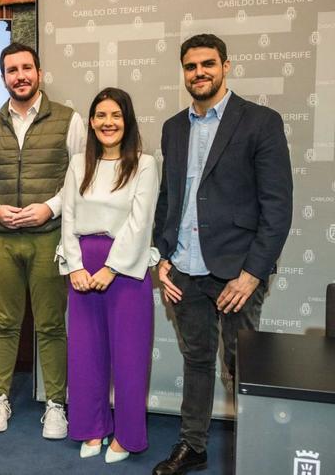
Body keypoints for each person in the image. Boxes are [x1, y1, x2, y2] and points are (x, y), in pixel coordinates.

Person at [152, 34, 292, 475]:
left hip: (237, 273)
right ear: (183, 71)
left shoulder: (260, 122)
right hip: (185, 269)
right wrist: (162, 254)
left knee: (241, 366)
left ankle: (258, 449)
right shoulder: (173, 127)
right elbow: (167, 197)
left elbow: (277, 206)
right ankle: (192, 446)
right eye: (191, 66)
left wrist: (252, 273)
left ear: (226, 66)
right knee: (196, 361)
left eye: (208, 64)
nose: (200, 73)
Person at [0, 42, 86, 436]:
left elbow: (81, 178)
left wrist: (49, 207)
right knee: (4, 322)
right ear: (3, 77)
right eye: (11, 70)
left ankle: (56, 404)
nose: (20, 76)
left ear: (39, 72)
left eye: (26, 68)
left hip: (49, 238)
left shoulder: (69, 120)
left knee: (51, 325)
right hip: (2, 238)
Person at [57, 88, 158, 463]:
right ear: (91, 121)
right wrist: (76, 266)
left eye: (115, 115)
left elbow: (140, 220)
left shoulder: (144, 163)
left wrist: (111, 268)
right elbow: (67, 217)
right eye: (100, 115)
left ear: (127, 120)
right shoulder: (78, 164)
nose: (108, 122)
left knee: (129, 356)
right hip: (83, 264)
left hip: (125, 268)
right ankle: (91, 427)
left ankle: (127, 436)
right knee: (85, 355)